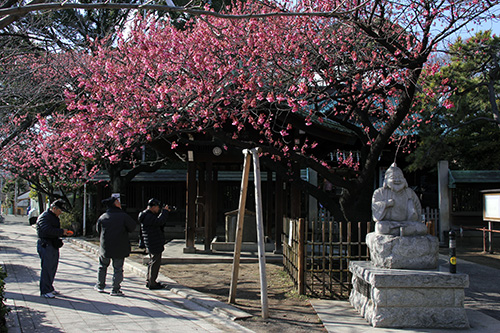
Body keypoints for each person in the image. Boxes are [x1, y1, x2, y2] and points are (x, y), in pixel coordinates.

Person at [95, 196, 136, 296]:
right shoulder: (123, 216)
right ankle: (115, 289)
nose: (119, 202)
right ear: (115, 203)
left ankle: (100, 285)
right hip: (120, 246)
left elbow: (98, 230)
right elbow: (132, 227)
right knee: (118, 268)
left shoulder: (103, 216)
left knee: (102, 266)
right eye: (117, 201)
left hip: (105, 246)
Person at [372, 163, 427, 236]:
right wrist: (386, 204)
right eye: (393, 177)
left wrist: (414, 213)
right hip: (390, 224)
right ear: (386, 179)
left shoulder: (409, 192)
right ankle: (405, 231)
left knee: (421, 227)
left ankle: (404, 231)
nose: (397, 180)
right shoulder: (379, 192)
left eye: (400, 177)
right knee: (381, 227)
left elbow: (418, 209)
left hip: (407, 223)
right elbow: (375, 209)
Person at [36, 199, 73, 298]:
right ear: (53, 208)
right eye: (59, 210)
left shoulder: (53, 216)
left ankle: (49, 287)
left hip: (52, 244)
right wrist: (61, 231)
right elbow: (46, 230)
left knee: (52, 267)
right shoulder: (44, 217)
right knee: (47, 268)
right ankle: (45, 290)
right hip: (46, 244)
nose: (60, 213)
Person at [139, 198, 170, 290]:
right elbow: (160, 222)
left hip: (150, 241)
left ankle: (150, 280)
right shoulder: (148, 216)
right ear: (153, 207)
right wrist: (165, 212)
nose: (158, 209)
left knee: (152, 261)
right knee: (155, 262)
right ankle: (152, 282)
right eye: (157, 207)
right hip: (154, 241)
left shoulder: (146, 215)